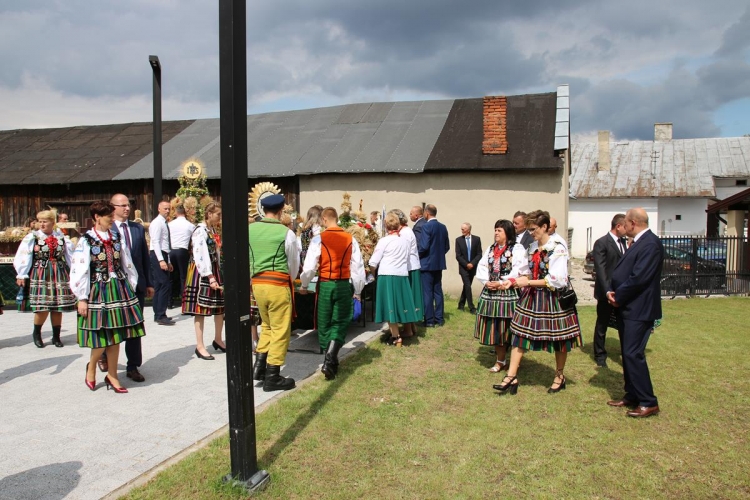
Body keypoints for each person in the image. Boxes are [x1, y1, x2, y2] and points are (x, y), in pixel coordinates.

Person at [495, 211, 582, 395]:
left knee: (559, 339)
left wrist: (528, 283)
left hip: (553, 298)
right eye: (528, 229)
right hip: (532, 297)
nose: (531, 233)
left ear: (544, 227)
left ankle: (559, 376)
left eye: (533, 229)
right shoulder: (532, 247)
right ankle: (511, 376)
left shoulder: (557, 248)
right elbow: (527, 272)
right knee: (519, 334)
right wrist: (511, 281)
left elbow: (557, 280)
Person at [70, 200, 146, 393]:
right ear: (97, 217)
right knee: (101, 336)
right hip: (98, 290)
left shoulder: (116, 237)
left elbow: (127, 262)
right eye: (108, 216)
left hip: (118, 288)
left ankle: (113, 375)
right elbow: (79, 268)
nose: (112, 219)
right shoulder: (86, 240)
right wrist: (82, 297)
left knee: (116, 335)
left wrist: (131, 285)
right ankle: (92, 366)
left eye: (112, 215)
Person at [606, 208, 663, 418]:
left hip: (639, 308)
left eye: (626, 222)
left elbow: (639, 278)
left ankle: (648, 401)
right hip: (629, 307)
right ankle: (632, 394)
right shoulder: (639, 242)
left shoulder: (650, 244)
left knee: (633, 353)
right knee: (627, 352)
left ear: (633, 223)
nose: (624, 226)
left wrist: (619, 296)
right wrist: (613, 291)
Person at [299, 207, 366, 379]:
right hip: (343, 284)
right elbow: (357, 267)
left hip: (325, 284)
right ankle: (331, 359)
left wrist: (304, 284)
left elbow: (309, 267)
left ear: (324, 219)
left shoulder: (318, 239)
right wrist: (358, 290)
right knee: (340, 321)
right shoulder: (350, 239)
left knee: (324, 320)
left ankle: (328, 358)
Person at [249, 194, 300, 392]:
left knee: (267, 326)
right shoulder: (286, 233)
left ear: (263, 210)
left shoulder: (250, 229)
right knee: (280, 329)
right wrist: (291, 279)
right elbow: (293, 263)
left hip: (257, 284)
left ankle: (259, 367)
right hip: (278, 283)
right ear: (281, 211)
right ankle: (273, 376)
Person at [106, 194, 153, 382]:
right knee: (113, 324)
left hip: (136, 286)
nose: (127, 208)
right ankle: (104, 355)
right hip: (114, 286)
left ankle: (133, 366)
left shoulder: (137, 228)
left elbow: (144, 257)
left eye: (128, 205)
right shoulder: (107, 228)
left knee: (135, 326)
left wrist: (148, 283)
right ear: (113, 207)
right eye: (123, 205)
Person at [14, 210, 76, 347]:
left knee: (58, 307)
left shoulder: (61, 237)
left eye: (45, 221)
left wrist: (75, 272)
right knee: (42, 306)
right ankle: (37, 334)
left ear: (52, 223)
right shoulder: (33, 237)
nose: (41, 224)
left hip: (58, 272)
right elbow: (24, 254)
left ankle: (56, 337)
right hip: (41, 272)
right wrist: (22, 273)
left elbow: (71, 256)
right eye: (40, 221)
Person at [475, 220, 528, 372]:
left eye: (499, 230)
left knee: (510, 328)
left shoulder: (517, 248)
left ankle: (514, 361)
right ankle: (500, 360)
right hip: (491, 292)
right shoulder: (491, 248)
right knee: (495, 328)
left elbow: (519, 269)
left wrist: (501, 282)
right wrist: (486, 281)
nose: (496, 233)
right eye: (495, 230)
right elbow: (482, 265)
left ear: (507, 233)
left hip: (508, 292)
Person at [182, 202, 225, 360]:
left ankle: (218, 339)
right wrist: (210, 275)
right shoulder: (200, 231)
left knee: (220, 307)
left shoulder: (211, 230)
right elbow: (200, 254)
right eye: (218, 214)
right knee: (200, 310)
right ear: (209, 214)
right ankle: (200, 346)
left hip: (213, 269)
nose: (220, 217)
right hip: (202, 272)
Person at [369, 213, 420, 346]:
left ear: (386, 226)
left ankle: (395, 336)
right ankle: (403, 331)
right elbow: (407, 258)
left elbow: (373, 262)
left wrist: (374, 274)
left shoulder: (384, 241)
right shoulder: (405, 241)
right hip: (402, 275)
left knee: (389, 305)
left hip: (387, 275)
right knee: (399, 305)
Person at [592, 213, 627, 368]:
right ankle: (600, 355)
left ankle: (626, 354)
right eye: (625, 226)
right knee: (602, 324)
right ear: (618, 226)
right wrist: (608, 291)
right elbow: (601, 270)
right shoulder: (602, 243)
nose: (628, 229)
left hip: (621, 292)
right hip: (606, 293)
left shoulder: (624, 243)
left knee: (623, 325)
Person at [390, 208, 422, 335]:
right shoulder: (405, 231)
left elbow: (404, 251)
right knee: (409, 298)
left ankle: (408, 329)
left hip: (409, 268)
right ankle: (412, 327)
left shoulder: (405, 233)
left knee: (407, 298)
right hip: (409, 267)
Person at [417, 204, 450, 328]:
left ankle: (429, 320)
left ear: (426, 213)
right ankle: (439, 318)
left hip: (426, 264)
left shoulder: (426, 226)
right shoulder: (443, 227)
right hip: (438, 264)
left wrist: (417, 255)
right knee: (437, 291)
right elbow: (446, 246)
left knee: (427, 293)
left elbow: (424, 246)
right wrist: (438, 256)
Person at [149, 201, 174, 325]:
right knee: (164, 284)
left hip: (163, 253)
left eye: (169, 209)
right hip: (157, 253)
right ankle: (161, 315)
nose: (167, 211)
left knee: (159, 285)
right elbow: (155, 242)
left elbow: (165, 243)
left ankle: (158, 313)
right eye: (165, 208)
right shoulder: (157, 223)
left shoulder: (164, 222)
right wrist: (161, 260)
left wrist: (167, 260)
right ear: (159, 209)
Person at [168, 205, 196, 308]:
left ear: (176, 213)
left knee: (170, 277)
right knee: (184, 277)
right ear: (185, 213)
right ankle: (185, 303)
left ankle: (169, 302)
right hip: (183, 250)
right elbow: (193, 239)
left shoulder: (170, 224)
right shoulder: (190, 225)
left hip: (171, 250)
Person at [455, 222, 482, 314]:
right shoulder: (458, 240)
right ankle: (472, 307)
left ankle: (461, 304)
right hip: (463, 267)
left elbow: (479, 254)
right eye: (461, 229)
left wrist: (472, 264)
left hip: (472, 267)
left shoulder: (477, 239)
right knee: (467, 285)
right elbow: (458, 256)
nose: (462, 230)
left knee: (467, 286)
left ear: (469, 230)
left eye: (464, 229)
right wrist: (466, 264)